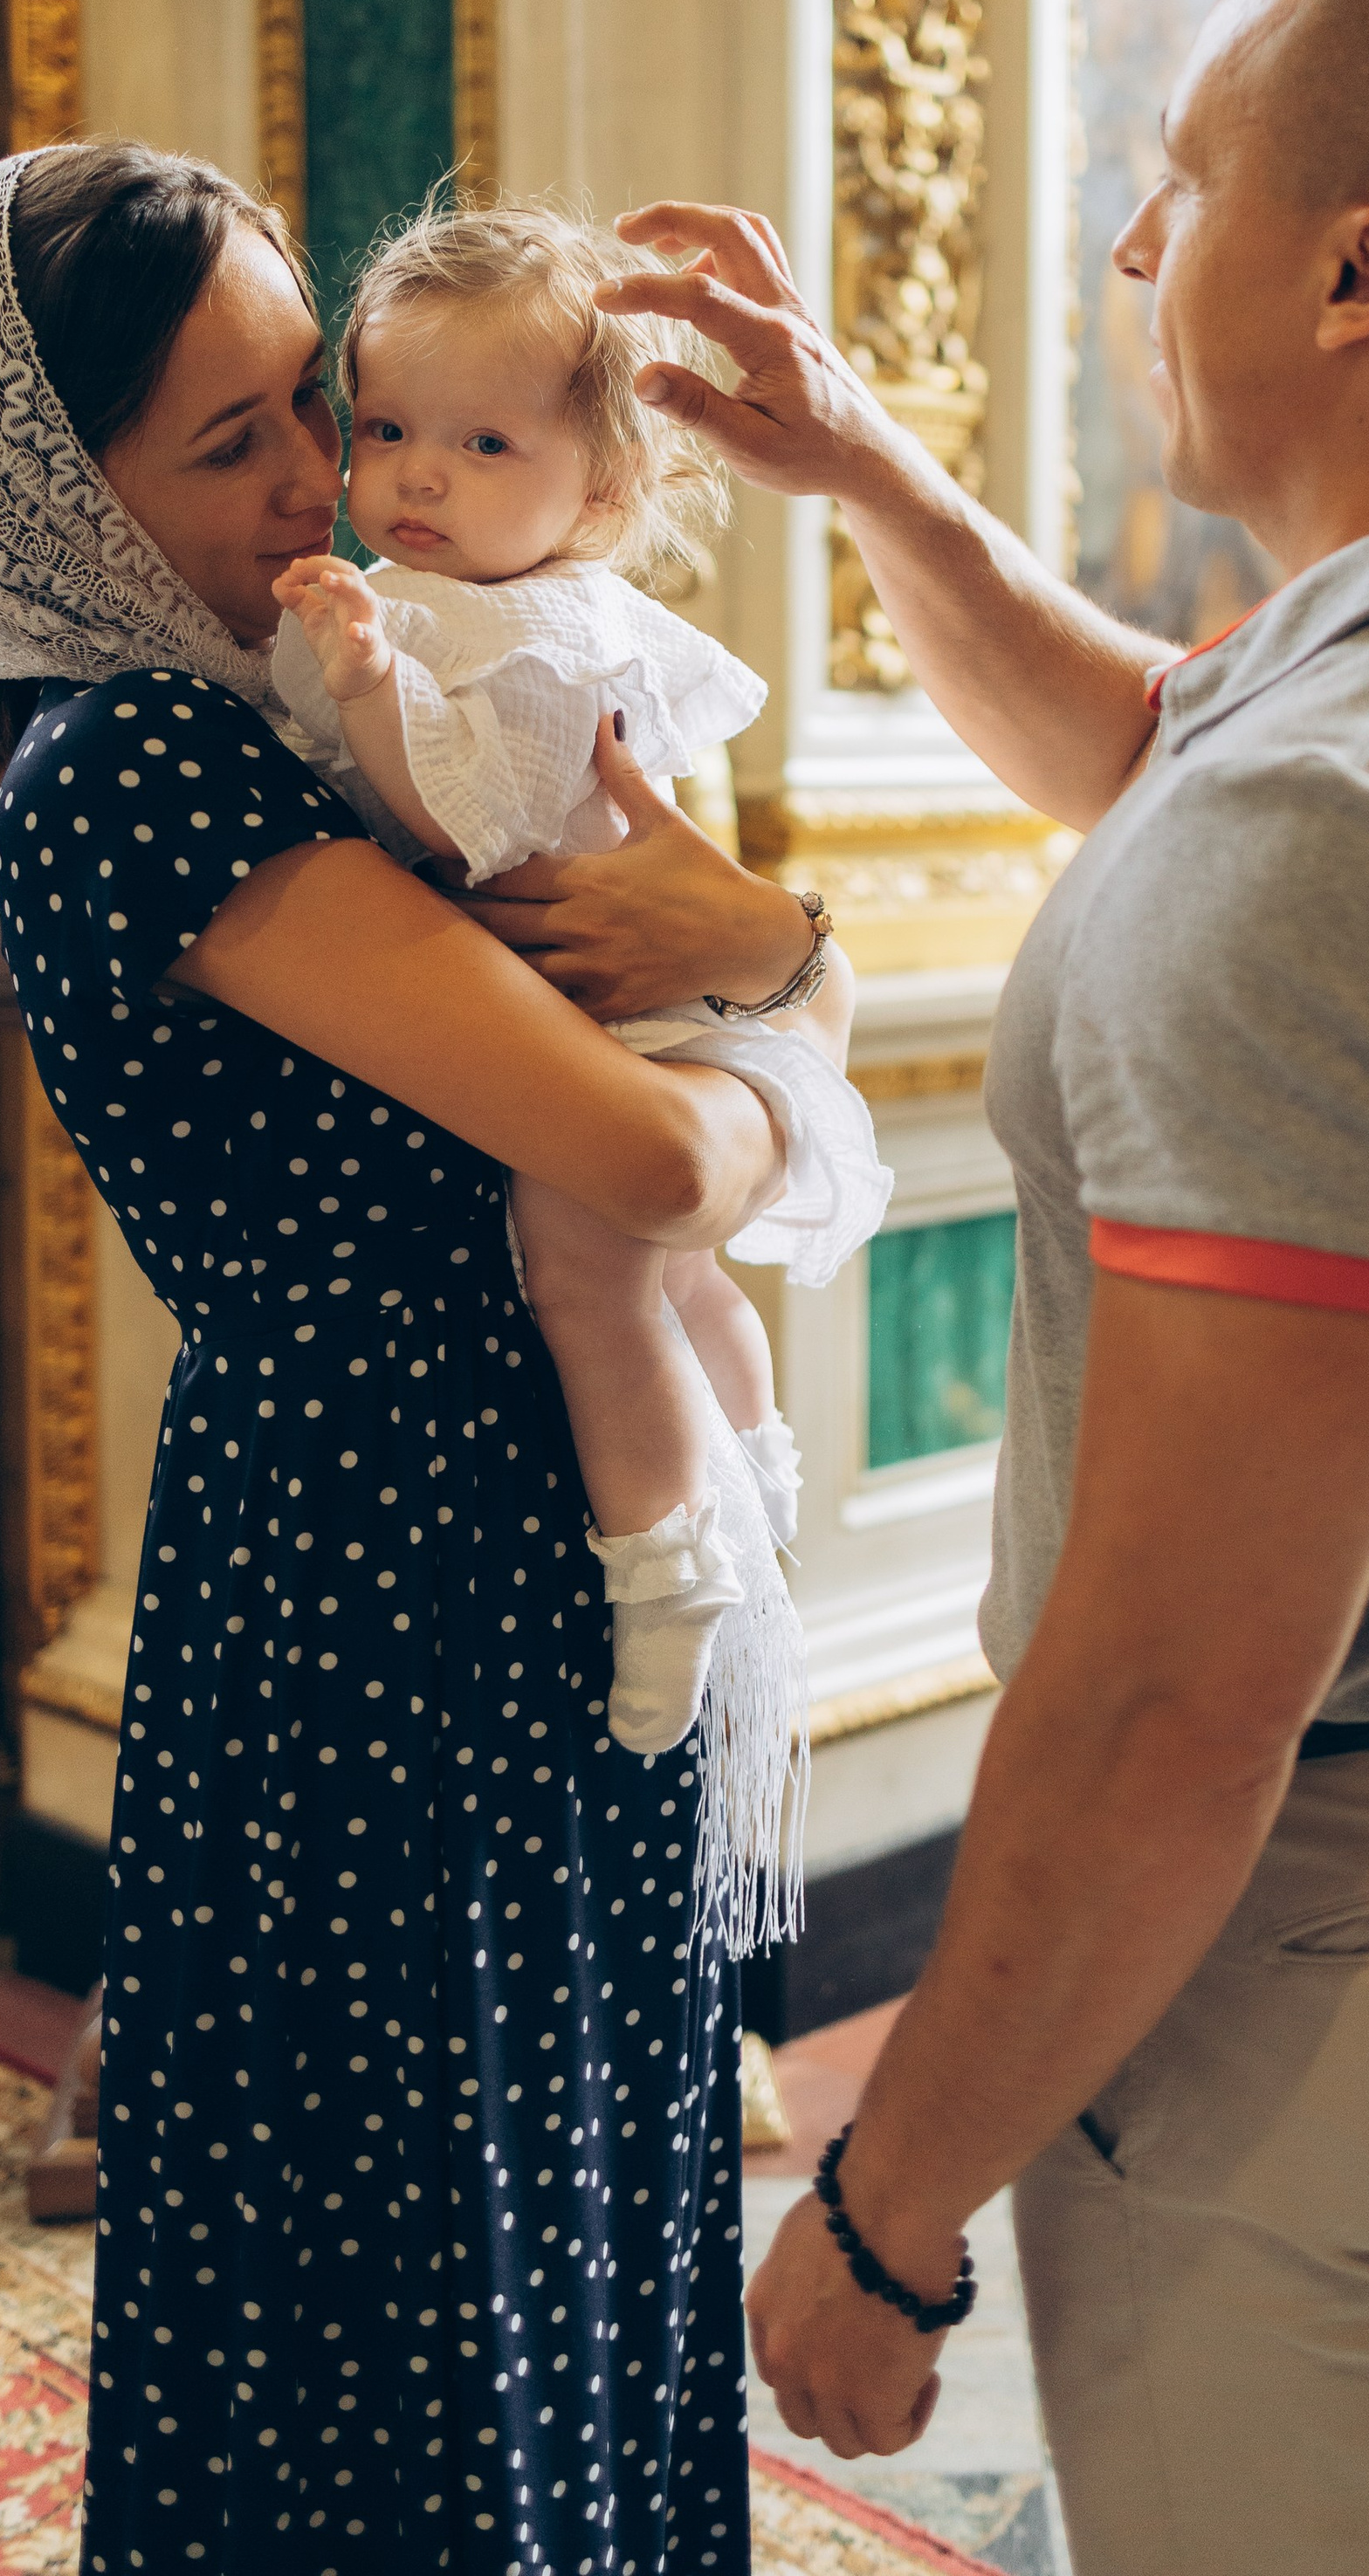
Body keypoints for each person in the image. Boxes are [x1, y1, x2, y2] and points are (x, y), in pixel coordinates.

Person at [526, 0, 1369, 2575]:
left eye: (1178, 177)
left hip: (1334, 1924)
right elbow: (1156, 741)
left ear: (1360, 267)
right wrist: (870, 468)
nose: (1132, 249)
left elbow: (1174, 1702)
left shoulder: (1326, 832)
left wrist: (889, 2204)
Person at [0, 138, 835, 2576]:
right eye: (235, 444)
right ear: (53, 500)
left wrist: (742, 964)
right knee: (418, 2294)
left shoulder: (310, 712)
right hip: (374, 1609)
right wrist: (789, 1001)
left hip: (502, 1555)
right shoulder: (140, 775)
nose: (331, 477)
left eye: (317, 397)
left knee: (564, 2208)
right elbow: (627, 1159)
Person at [272, 200, 888, 1760]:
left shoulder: (539, 641)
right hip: (636, 1006)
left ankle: (667, 1563)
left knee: (586, 1255)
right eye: (391, 427)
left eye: (485, 446)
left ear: (602, 491)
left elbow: (461, 829)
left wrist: (370, 689)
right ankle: (745, 1459)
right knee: (681, 1280)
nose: (413, 475)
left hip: (643, 1014)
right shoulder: (452, 608)